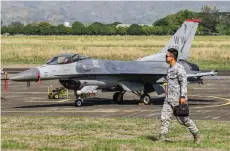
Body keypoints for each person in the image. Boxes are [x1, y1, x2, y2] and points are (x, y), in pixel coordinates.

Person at [157, 48, 200, 143]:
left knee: (184, 120)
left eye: (167, 56)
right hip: (168, 99)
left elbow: (183, 82)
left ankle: (196, 135)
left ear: (172, 57)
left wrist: (183, 97)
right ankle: (162, 137)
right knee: (164, 118)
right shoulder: (169, 69)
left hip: (178, 100)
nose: (166, 57)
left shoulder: (179, 68)